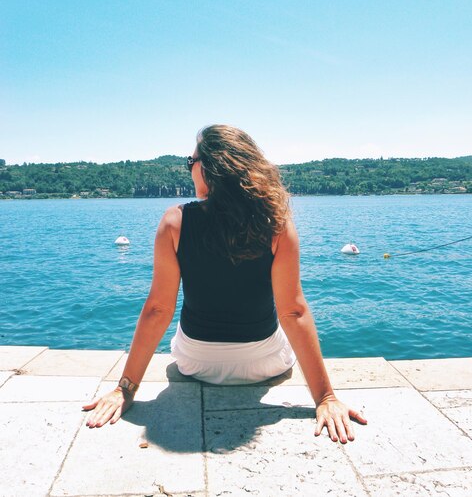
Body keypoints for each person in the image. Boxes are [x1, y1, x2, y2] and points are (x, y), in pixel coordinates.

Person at [82, 124, 368, 443]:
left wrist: (125, 389)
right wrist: (326, 398)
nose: (189, 170)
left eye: (190, 162)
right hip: (265, 364)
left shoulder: (174, 222)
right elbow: (294, 312)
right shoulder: (276, 222)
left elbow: (158, 310)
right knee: (279, 333)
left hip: (196, 363)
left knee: (178, 332)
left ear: (208, 167)